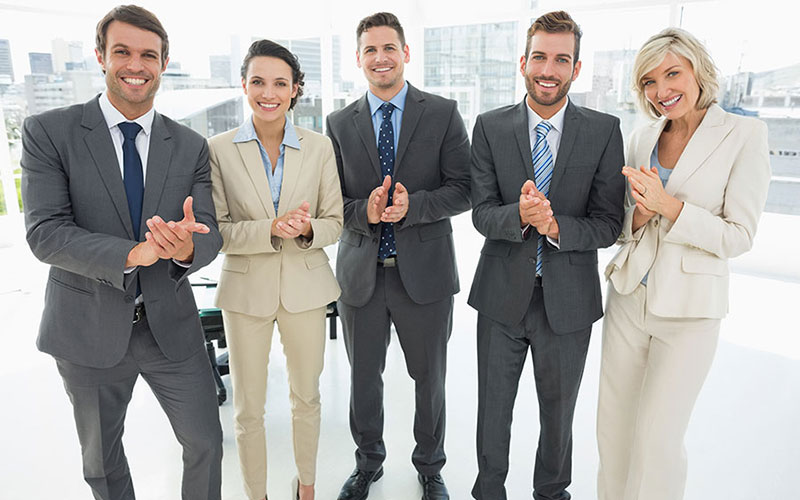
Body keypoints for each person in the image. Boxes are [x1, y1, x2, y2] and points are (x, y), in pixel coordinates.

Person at [20, 5, 223, 500]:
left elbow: (210, 231)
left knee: (206, 444)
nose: (136, 64)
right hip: (85, 330)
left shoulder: (191, 144)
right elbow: (45, 232)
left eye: (148, 54)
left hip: (171, 329)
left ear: (163, 61)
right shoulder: (49, 132)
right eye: (123, 52)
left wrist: (185, 248)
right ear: (100, 57)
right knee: (102, 464)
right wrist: (134, 253)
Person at [598, 27, 771, 500]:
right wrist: (640, 212)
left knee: (658, 441)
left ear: (698, 71)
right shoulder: (640, 137)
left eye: (672, 73)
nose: (661, 90)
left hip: (690, 312)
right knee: (612, 433)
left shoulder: (743, 134)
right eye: (649, 82)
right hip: (629, 298)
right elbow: (619, 226)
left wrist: (669, 207)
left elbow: (739, 236)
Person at [468, 10, 625, 500]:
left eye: (561, 59)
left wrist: (554, 225)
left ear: (576, 69)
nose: (548, 69)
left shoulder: (603, 131)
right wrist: (520, 214)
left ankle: (552, 492)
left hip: (569, 301)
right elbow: (480, 214)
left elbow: (608, 223)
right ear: (523, 62)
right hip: (500, 298)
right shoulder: (489, 127)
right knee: (493, 410)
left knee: (559, 414)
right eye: (540, 56)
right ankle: (489, 490)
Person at [325, 11, 471, 500]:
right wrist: (362, 211)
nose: (380, 58)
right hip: (360, 276)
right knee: (364, 379)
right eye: (370, 50)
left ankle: (430, 467)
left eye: (389, 48)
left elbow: (466, 188)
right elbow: (331, 203)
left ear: (406, 53)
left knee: (429, 380)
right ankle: (368, 463)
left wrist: (416, 207)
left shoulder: (443, 113)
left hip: (425, 276)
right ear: (359, 59)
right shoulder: (338, 122)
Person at [207, 39, 342, 500]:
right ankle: (256, 495)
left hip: (306, 287)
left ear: (295, 89)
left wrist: (305, 231)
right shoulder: (218, 149)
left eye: (280, 83)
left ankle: (306, 488)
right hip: (245, 292)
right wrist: (271, 228)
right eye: (258, 81)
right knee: (248, 409)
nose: (269, 92)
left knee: (307, 398)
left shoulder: (320, 146)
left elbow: (335, 223)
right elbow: (219, 230)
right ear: (244, 85)